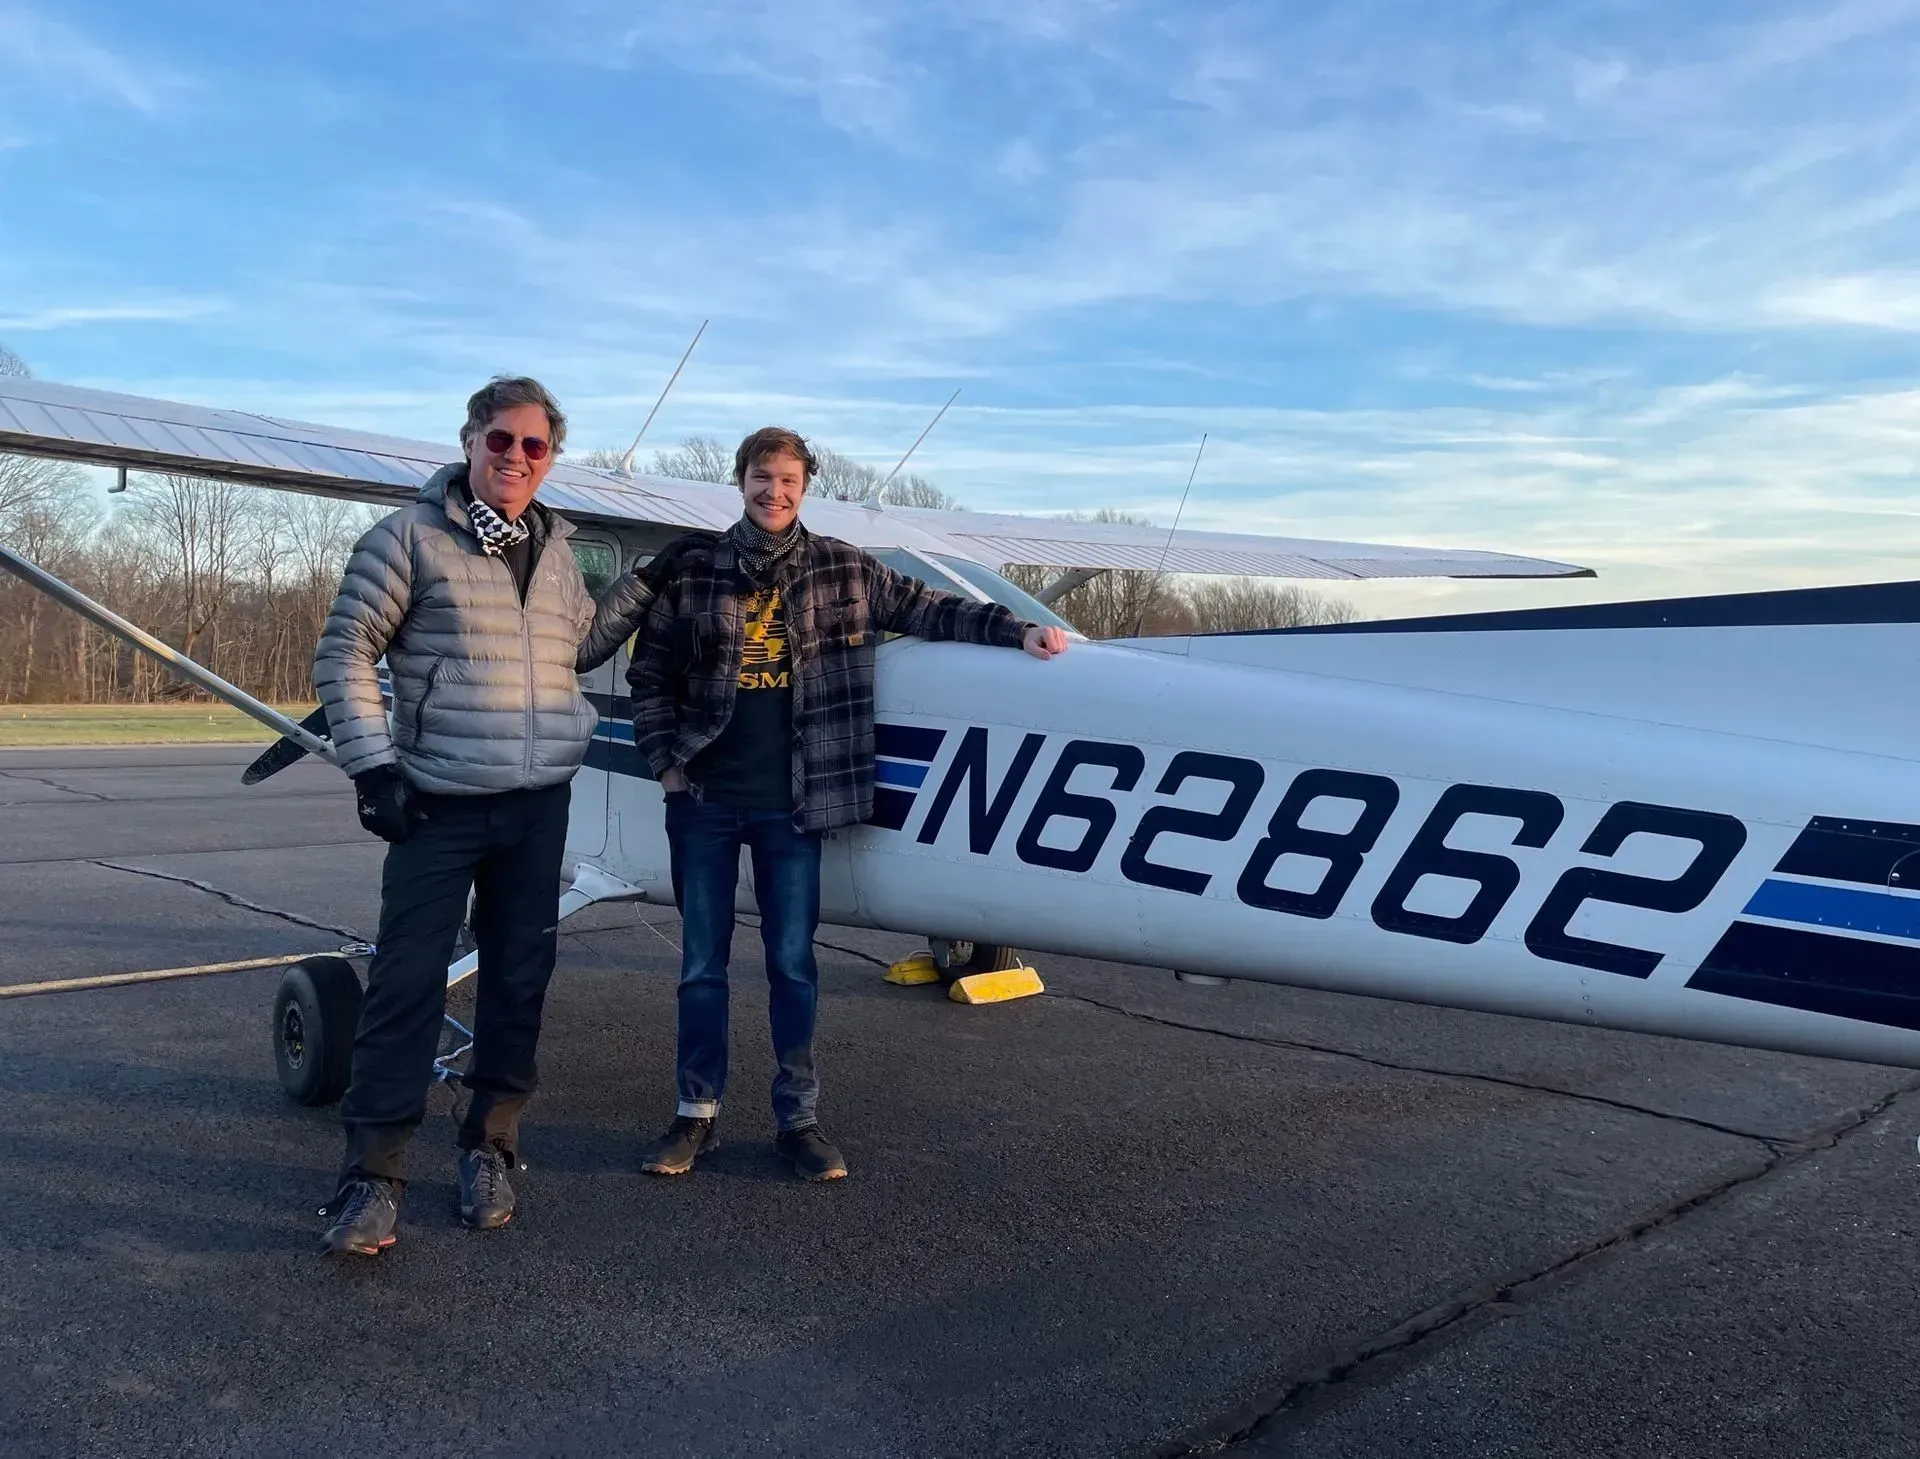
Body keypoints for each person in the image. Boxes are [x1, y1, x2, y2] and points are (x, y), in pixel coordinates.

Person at [311, 375, 691, 1257]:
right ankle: (372, 1175)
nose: (517, 457)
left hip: (536, 804)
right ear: (470, 440)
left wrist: (641, 588)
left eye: (534, 446)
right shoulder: (406, 537)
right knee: (406, 984)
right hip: (437, 803)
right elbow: (344, 652)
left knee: (518, 985)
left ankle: (491, 1149)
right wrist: (372, 768)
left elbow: (577, 646)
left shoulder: (554, 549)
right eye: (501, 440)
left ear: (550, 458)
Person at [627, 426, 1070, 1181]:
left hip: (796, 801)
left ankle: (797, 1117)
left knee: (792, 964)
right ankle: (693, 1113)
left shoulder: (844, 566)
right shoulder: (696, 569)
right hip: (702, 794)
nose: (775, 492)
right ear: (741, 481)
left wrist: (1019, 628)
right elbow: (651, 674)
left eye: (790, 480)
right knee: (702, 964)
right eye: (763, 477)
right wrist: (667, 765)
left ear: (806, 488)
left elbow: (932, 609)